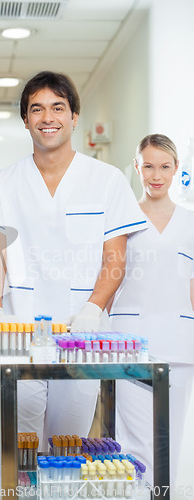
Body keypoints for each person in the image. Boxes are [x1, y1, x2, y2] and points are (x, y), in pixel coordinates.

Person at [0, 71, 148, 449]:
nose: (47, 117)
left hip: (81, 337)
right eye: (37, 109)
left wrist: (93, 306)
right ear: (26, 120)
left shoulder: (105, 180)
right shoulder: (2, 184)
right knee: (20, 451)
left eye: (58, 107)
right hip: (20, 335)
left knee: (66, 446)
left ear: (74, 117)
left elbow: (115, 255)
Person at [109, 134, 194, 490]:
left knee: (167, 443)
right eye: (148, 166)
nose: (156, 175)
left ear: (176, 169)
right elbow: (110, 274)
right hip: (131, 342)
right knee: (134, 445)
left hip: (178, 342)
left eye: (164, 167)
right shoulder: (122, 218)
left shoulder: (190, 222)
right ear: (136, 166)